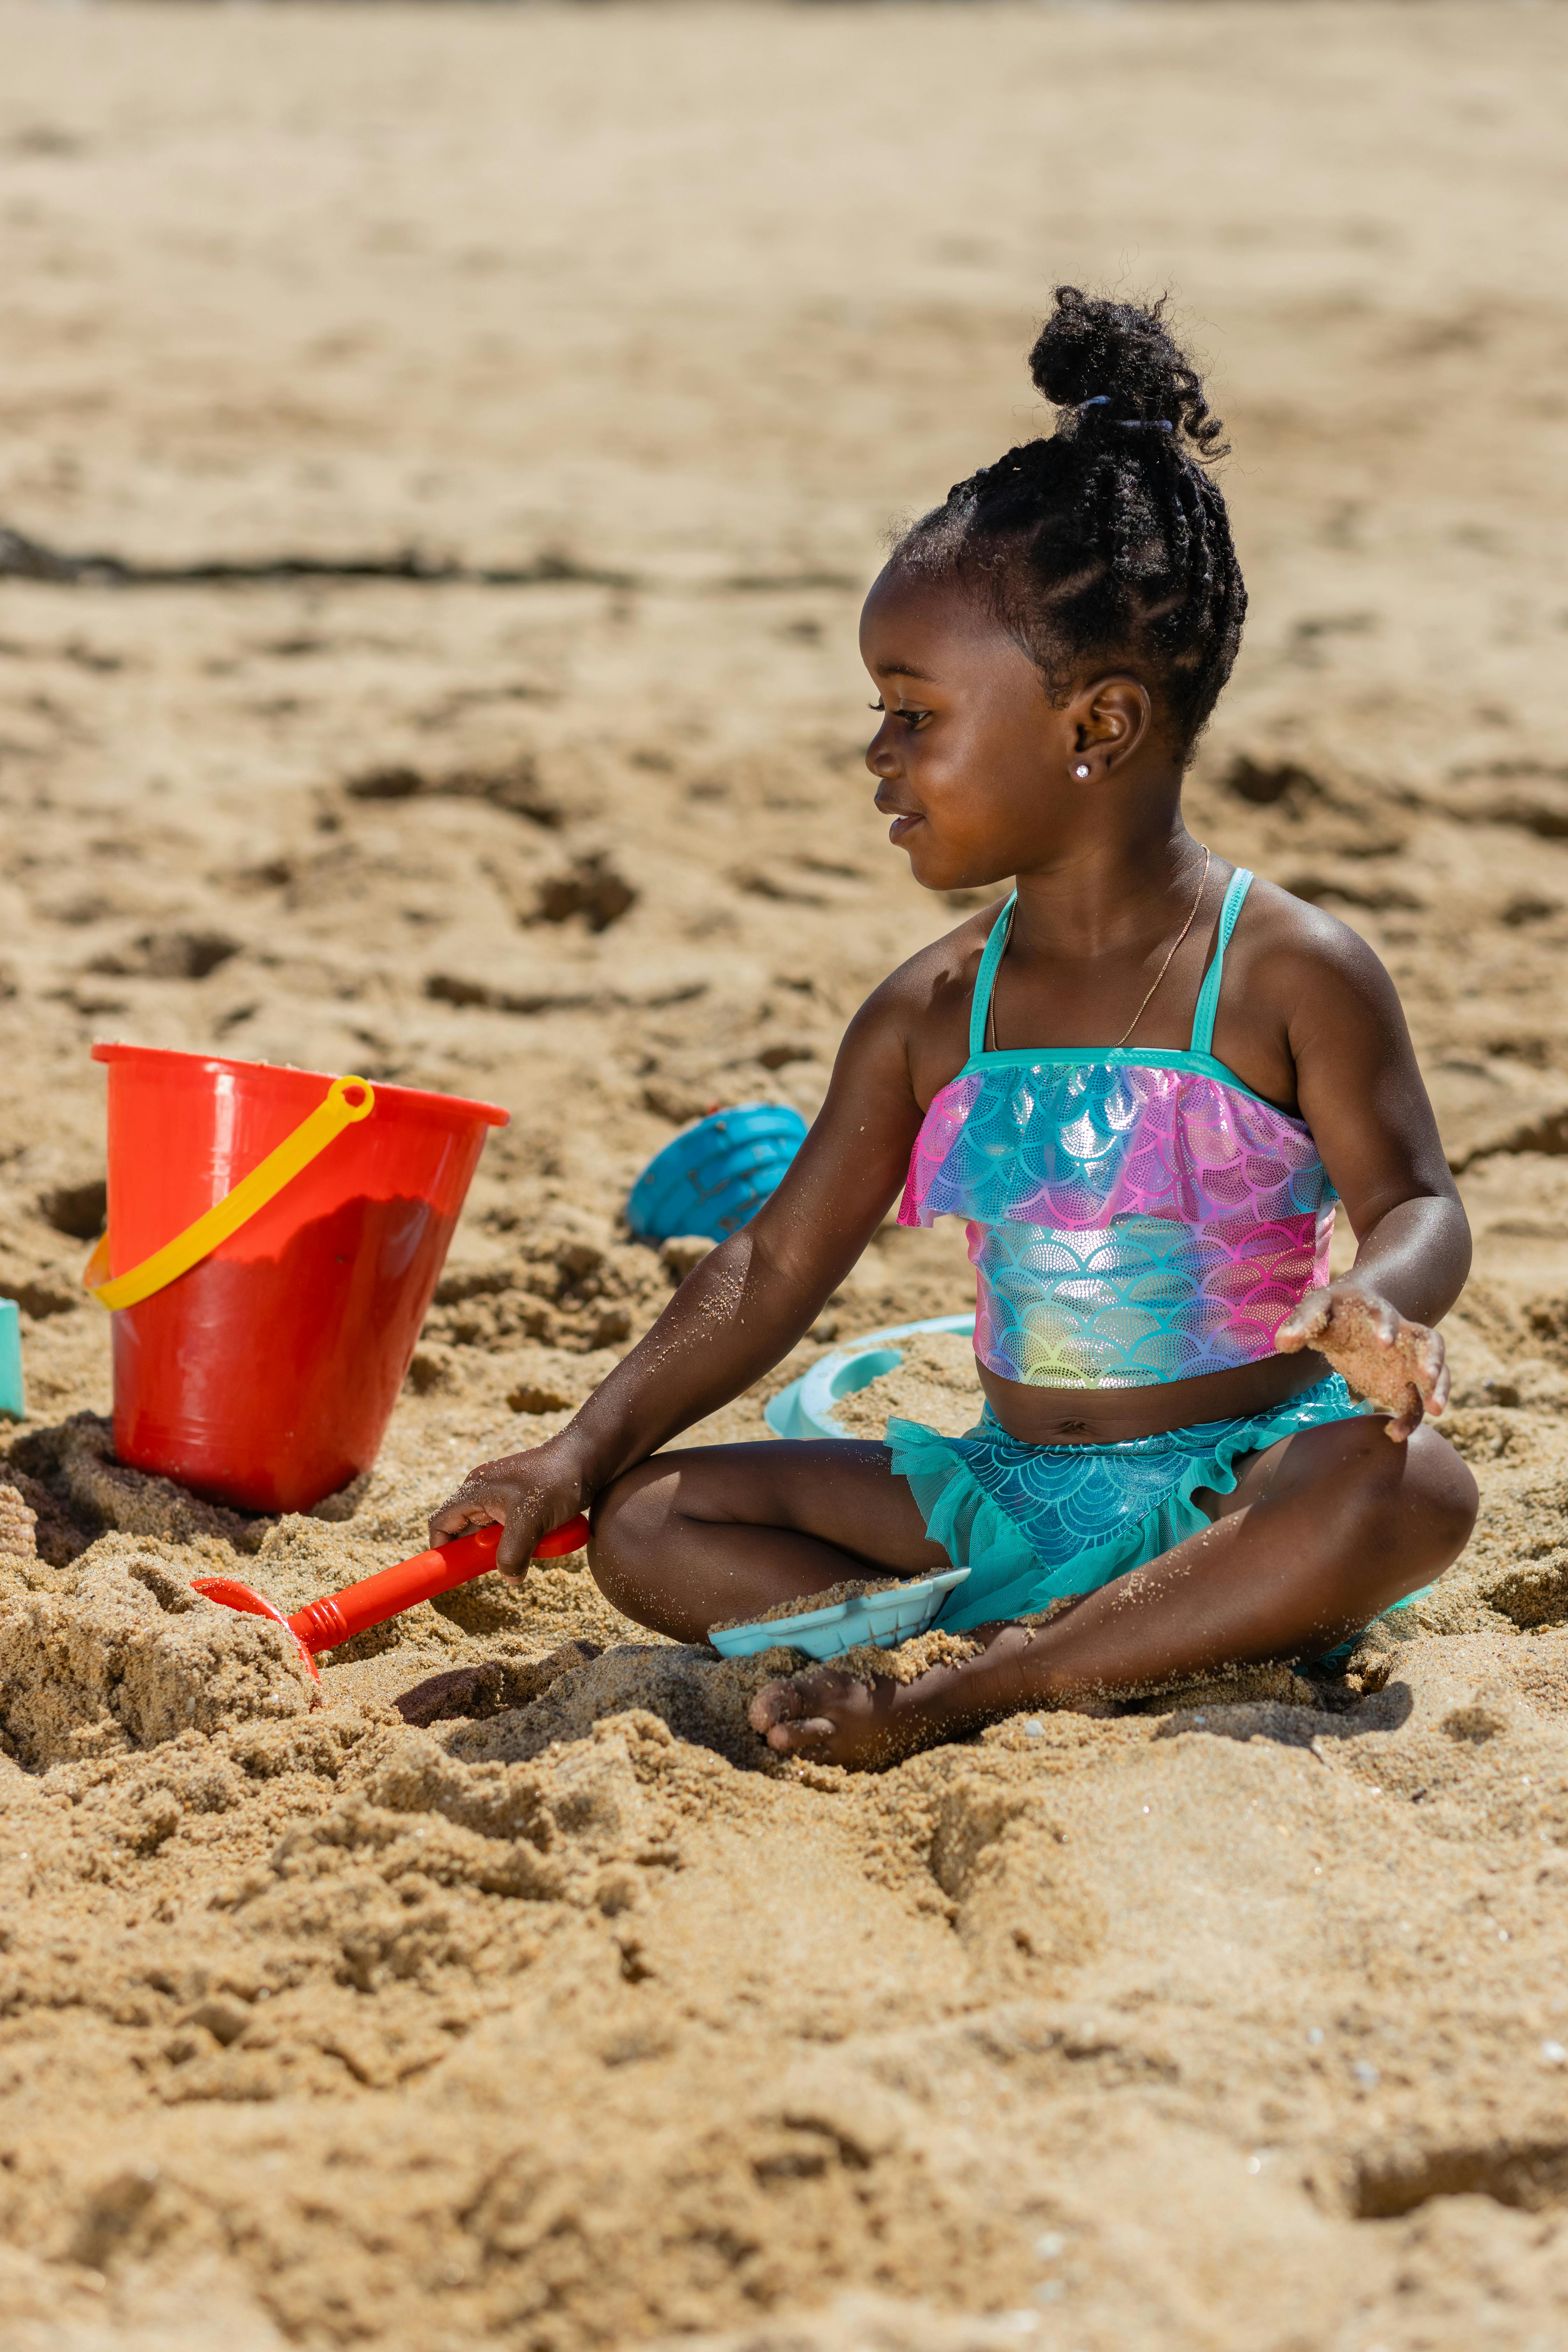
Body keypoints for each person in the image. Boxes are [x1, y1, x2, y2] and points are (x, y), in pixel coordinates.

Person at [423, 287, 1476, 1768]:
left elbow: (1417, 1199)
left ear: (1094, 727)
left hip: (1240, 1480)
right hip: (1001, 1498)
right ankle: (1090, 1642)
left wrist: (1384, 1300)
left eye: (914, 713)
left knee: (1410, 1490)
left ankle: (952, 1693)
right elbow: (774, 1259)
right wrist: (578, 1453)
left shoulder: (1289, 969)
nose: (878, 755)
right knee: (656, 1523)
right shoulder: (931, 1010)